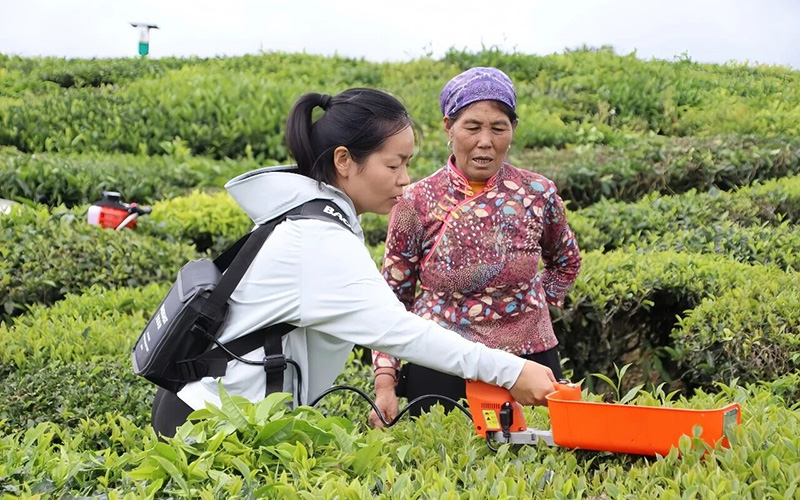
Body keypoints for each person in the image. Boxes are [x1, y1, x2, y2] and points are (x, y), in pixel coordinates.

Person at [150, 87, 558, 438]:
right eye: (393, 164)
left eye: (408, 164)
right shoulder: (318, 240)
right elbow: (399, 330)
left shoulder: (313, 217)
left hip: (213, 411)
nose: (404, 179)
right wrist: (510, 371)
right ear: (344, 161)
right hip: (209, 422)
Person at [369, 68, 582, 428]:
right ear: (448, 128)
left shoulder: (537, 194)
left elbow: (566, 262)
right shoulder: (416, 201)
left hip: (530, 361)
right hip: (439, 360)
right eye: (472, 127)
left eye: (498, 127)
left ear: (512, 130)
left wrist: (530, 307)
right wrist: (385, 382)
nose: (485, 141)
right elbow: (393, 300)